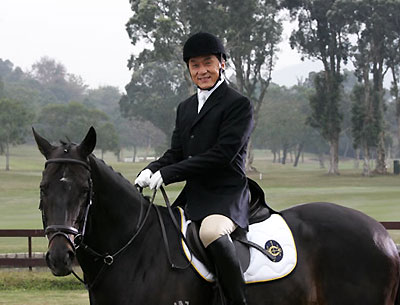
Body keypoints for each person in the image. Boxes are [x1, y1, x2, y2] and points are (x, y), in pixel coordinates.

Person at [135, 32, 253, 305]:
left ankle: (237, 300)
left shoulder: (238, 104)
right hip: (194, 197)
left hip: (226, 196)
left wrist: (170, 174)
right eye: (195, 65)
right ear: (189, 69)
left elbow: (222, 155)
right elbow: (176, 152)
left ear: (222, 63)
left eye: (208, 63)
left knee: (210, 233)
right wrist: (151, 169)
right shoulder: (186, 107)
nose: (202, 71)